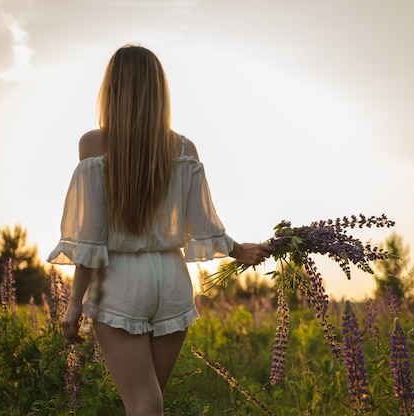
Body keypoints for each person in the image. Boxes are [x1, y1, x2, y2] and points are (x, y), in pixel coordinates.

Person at [46, 44, 274, 416]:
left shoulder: (93, 144)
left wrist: (74, 303)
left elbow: (90, 237)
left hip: (119, 281)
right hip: (171, 279)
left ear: (113, 89)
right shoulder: (184, 148)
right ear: (159, 91)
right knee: (150, 403)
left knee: (144, 405)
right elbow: (201, 223)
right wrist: (237, 249)